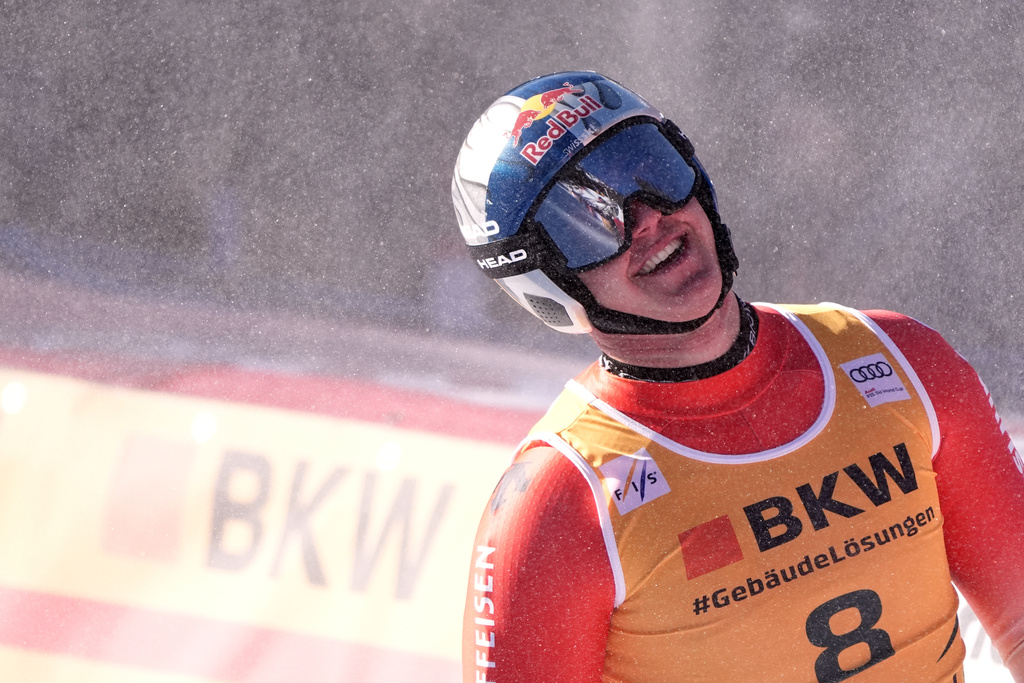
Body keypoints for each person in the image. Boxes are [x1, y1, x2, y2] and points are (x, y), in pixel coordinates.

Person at [450, 71, 1024, 683]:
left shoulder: (905, 360)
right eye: (584, 219)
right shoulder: (558, 505)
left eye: (651, 167)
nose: (645, 218)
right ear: (542, 277)